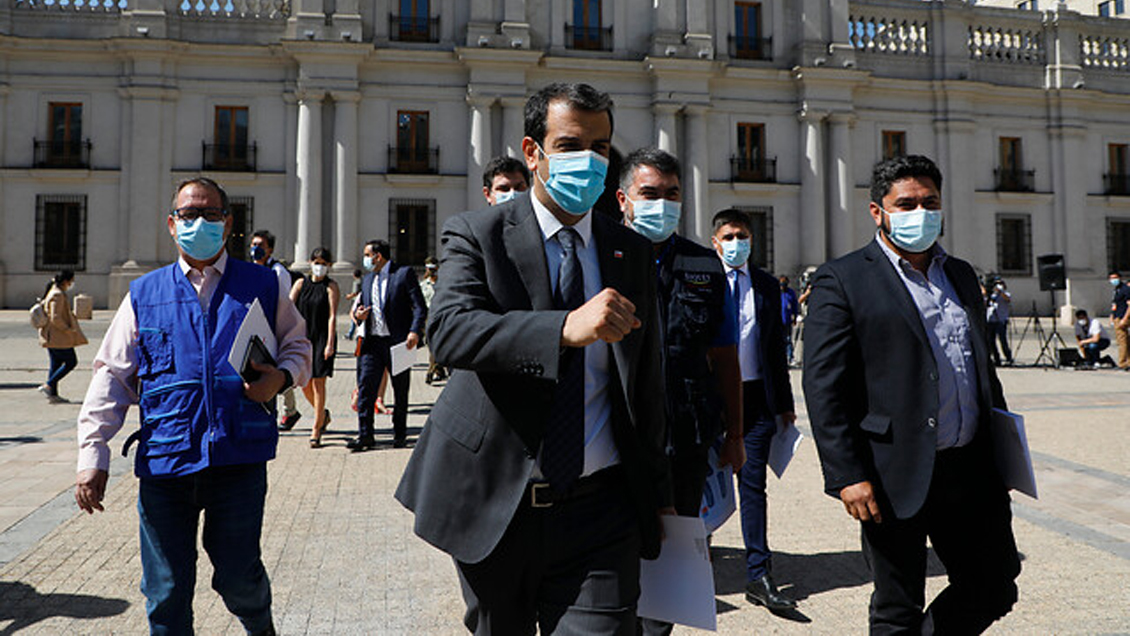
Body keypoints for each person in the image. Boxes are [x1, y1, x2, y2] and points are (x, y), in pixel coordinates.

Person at [395, 82, 671, 635]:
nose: (588, 162)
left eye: (600, 148)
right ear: (532, 153)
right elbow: (448, 332)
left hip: (602, 508)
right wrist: (563, 329)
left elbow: (645, 379)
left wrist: (663, 493)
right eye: (570, 145)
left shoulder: (629, 251)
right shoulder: (477, 233)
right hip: (499, 502)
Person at [73, 177, 312, 635]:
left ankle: (260, 627)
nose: (198, 222)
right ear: (171, 223)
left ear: (228, 222)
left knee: (240, 578)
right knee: (165, 592)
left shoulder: (263, 283)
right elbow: (112, 375)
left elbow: (299, 346)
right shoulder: (144, 293)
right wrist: (93, 456)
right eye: (188, 214)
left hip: (237, 461)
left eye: (210, 213)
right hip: (165, 465)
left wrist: (281, 378)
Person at [804, 155, 1020, 633]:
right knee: (897, 605)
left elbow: (981, 368)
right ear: (877, 211)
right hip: (891, 470)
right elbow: (823, 386)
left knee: (996, 582)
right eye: (906, 203)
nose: (919, 212)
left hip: (970, 466)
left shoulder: (961, 274)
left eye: (930, 202)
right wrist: (846, 474)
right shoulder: (842, 279)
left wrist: (1004, 449)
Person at [616, 148, 744, 636]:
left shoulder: (704, 266)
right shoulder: (603, 255)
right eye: (650, 194)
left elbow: (726, 357)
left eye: (672, 195)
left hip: (686, 438)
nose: (662, 204)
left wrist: (734, 435)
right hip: (618, 438)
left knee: (672, 557)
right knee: (616, 553)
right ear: (624, 199)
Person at [711, 208, 798, 613]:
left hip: (756, 401)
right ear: (715, 241)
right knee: (700, 486)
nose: (736, 243)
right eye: (728, 236)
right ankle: (696, 558)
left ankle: (758, 573)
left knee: (753, 487)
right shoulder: (701, 279)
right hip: (708, 401)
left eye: (742, 235)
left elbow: (775, 350)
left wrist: (785, 405)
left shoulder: (764, 284)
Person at [349, 239, 427, 450]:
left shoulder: (403, 274)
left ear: (378, 256)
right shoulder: (367, 280)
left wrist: (414, 331)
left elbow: (420, 307)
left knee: (400, 392)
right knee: (366, 389)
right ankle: (365, 436)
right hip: (372, 343)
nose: (365, 259)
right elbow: (359, 309)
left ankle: (399, 435)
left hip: (399, 343)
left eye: (367, 255)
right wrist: (358, 315)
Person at [252, 229, 303, 431]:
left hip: (272, 328)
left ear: (270, 249)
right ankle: (289, 410)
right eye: (253, 245)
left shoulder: (278, 271)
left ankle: (287, 411)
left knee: (275, 371)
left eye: (260, 246)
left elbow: (283, 304)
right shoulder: (251, 270)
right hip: (256, 326)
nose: (255, 249)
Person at [291, 247, 340, 448]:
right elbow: (288, 307)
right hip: (303, 337)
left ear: (329, 265)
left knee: (319, 382)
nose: (319, 266)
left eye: (323, 263)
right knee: (304, 383)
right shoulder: (301, 284)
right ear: (310, 262)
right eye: (316, 262)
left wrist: (329, 343)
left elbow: (332, 316)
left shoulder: (331, 286)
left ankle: (316, 428)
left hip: (321, 338)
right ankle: (323, 414)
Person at [37, 270, 87, 403]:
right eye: (71, 281)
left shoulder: (54, 292)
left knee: (56, 364)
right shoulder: (57, 295)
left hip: (53, 336)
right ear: (66, 281)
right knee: (71, 362)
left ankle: (53, 395)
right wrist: (68, 329)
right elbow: (55, 317)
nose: (71, 284)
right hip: (58, 337)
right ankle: (48, 385)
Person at [420, 256, 447, 385]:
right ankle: (439, 369)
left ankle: (431, 371)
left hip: (442, 317)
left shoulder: (444, 283)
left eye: (434, 269)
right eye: (430, 269)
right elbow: (420, 303)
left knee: (437, 344)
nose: (432, 271)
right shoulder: (424, 285)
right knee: (431, 345)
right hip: (428, 318)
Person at [986, 277, 1013, 366]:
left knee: (1002, 340)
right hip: (992, 320)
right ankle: (996, 359)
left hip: (1001, 320)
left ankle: (1008, 357)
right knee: (991, 341)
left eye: (1000, 283)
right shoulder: (991, 295)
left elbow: (1008, 299)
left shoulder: (1006, 294)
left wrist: (1000, 292)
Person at [1109, 271, 1130, 370]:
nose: (1113, 280)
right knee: (1124, 340)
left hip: (1123, 317)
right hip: (1117, 316)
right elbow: (1115, 305)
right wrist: (1112, 317)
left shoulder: (1125, 289)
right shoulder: (1117, 290)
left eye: (1115, 278)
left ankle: (1122, 362)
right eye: (1111, 278)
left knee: (1122, 341)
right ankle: (1128, 361)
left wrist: (1125, 318)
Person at [779, 275, 801, 365]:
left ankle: (790, 357)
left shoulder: (790, 293)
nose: (782, 286)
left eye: (784, 283)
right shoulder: (776, 292)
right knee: (779, 340)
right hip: (778, 321)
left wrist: (795, 317)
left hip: (787, 320)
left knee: (788, 339)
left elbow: (794, 306)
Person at [345, 268, 363, 341]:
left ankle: (350, 333)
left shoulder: (356, 282)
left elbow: (355, 293)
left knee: (353, 318)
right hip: (360, 302)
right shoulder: (362, 281)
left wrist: (349, 296)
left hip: (356, 302)